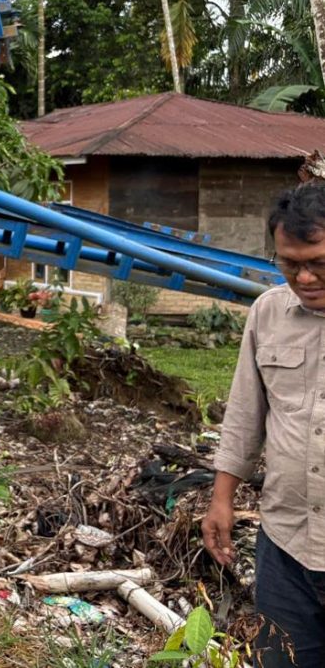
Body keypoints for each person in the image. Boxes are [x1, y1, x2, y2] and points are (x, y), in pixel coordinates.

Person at [202, 182, 325, 667]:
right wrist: (221, 500)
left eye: (319, 262)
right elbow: (244, 416)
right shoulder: (268, 313)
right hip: (287, 543)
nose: (305, 277)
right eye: (289, 264)